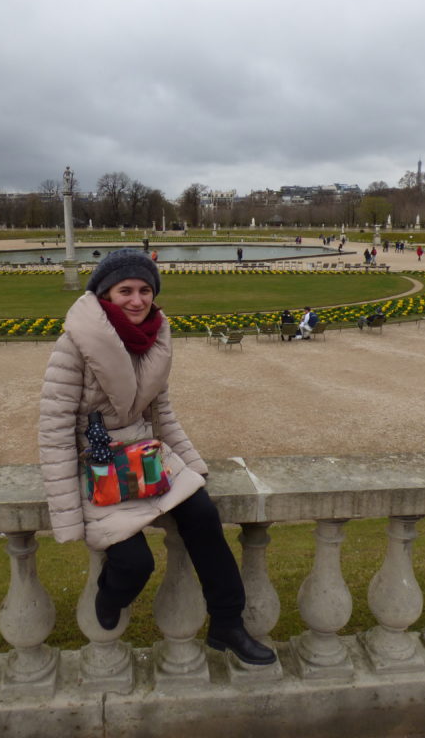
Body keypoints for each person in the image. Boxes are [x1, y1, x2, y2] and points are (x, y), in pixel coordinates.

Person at [38, 250, 276, 666]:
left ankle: (228, 622)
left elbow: (161, 413)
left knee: (204, 516)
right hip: (97, 463)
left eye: (145, 290)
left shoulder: (155, 339)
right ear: (105, 295)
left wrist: (193, 467)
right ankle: (111, 593)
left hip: (147, 454)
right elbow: (54, 431)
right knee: (134, 563)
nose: (137, 299)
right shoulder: (72, 345)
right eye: (125, 290)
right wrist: (67, 516)